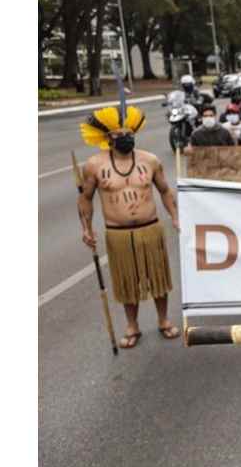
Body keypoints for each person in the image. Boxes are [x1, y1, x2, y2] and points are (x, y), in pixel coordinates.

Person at [77, 105, 179, 348]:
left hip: (150, 228)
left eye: (129, 134)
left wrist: (175, 216)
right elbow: (85, 198)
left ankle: (163, 320)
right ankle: (132, 325)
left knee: (158, 276)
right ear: (107, 138)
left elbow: (165, 190)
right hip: (118, 234)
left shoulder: (150, 160)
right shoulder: (93, 165)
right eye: (119, 134)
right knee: (126, 281)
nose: (126, 138)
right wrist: (86, 228)